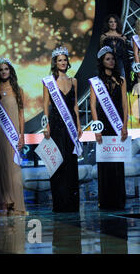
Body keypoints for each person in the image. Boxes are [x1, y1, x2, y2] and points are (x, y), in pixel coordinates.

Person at [0, 58, 26, 216]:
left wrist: (22, 136)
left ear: (10, 71)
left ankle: (13, 202)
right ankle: (1, 201)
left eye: (6, 69)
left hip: (12, 135)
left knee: (12, 167)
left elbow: (21, 115)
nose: (3, 72)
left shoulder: (18, 90)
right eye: (0, 70)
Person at [43, 46, 82, 212]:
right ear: (55, 62)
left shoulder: (73, 81)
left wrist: (79, 125)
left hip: (71, 125)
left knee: (71, 163)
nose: (63, 62)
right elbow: (45, 106)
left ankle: (72, 203)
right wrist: (46, 126)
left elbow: (74, 106)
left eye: (65, 60)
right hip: (56, 124)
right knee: (57, 163)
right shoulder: (48, 82)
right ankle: (59, 202)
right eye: (59, 60)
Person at [90, 46, 129, 210]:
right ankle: (105, 201)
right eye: (107, 59)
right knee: (105, 164)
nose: (111, 61)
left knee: (118, 163)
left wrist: (125, 126)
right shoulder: (96, 82)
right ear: (101, 62)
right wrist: (96, 128)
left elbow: (125, 105)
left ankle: (119, 199)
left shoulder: (121, 80)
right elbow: (92, 106)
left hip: (117, 124)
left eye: (112, 59)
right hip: (104, 125)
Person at [100, 14, 127, 79]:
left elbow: (125, 51)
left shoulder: (123, 37)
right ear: (108, 24)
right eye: (111, 22)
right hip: (108, 63)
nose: (113, 23)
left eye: (115, 21)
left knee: (122, 81)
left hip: (120, 62)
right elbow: (101, 52)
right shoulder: (103, 36)